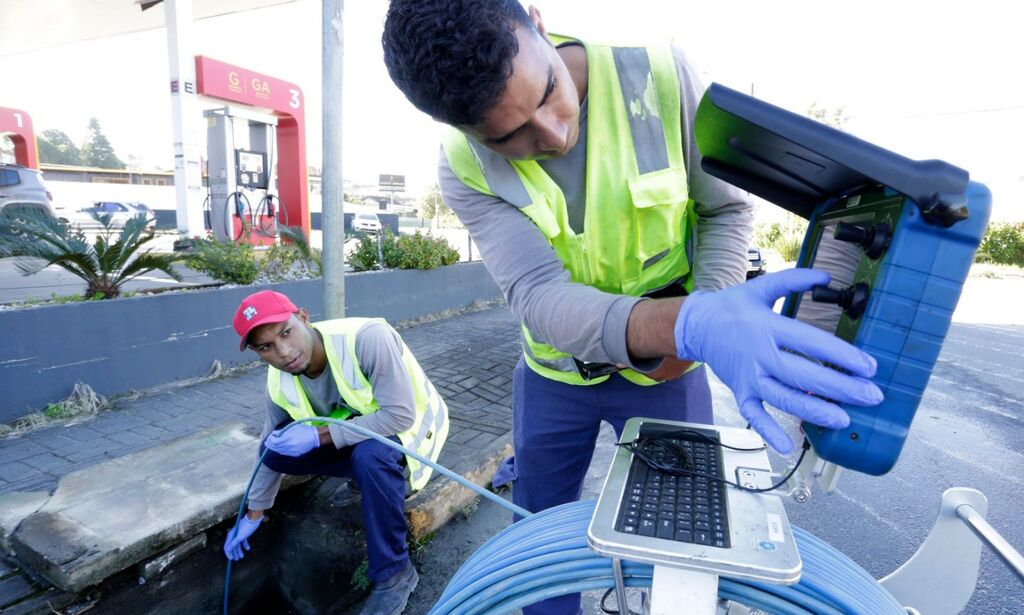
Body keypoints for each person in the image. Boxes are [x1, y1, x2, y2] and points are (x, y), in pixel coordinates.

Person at [383, 3, 882, 613]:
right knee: (539, 537)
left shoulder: (662, 77)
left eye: (548, 94)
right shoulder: (463, 166)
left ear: (539, 23)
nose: (553, 135)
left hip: (670, 373)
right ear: (462, 129)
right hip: (553, 377)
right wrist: (688, 326)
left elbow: (724, 211)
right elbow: (538, 294)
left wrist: (707, 313)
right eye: (508, 137)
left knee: (684, 541)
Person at [223, 290, 449, 615]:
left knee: (371, 457)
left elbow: (399, 415)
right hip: (359, 437)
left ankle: (395, 573)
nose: (284, 352)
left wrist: (319, 436)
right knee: (277, 452)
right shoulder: (279, 379)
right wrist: (254, 512)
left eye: (286, 332)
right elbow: (268, 445)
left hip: (414, 435)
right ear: (258, 353)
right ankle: (363, 478)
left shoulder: (365, 338)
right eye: (266, 347)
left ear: (302, 317)